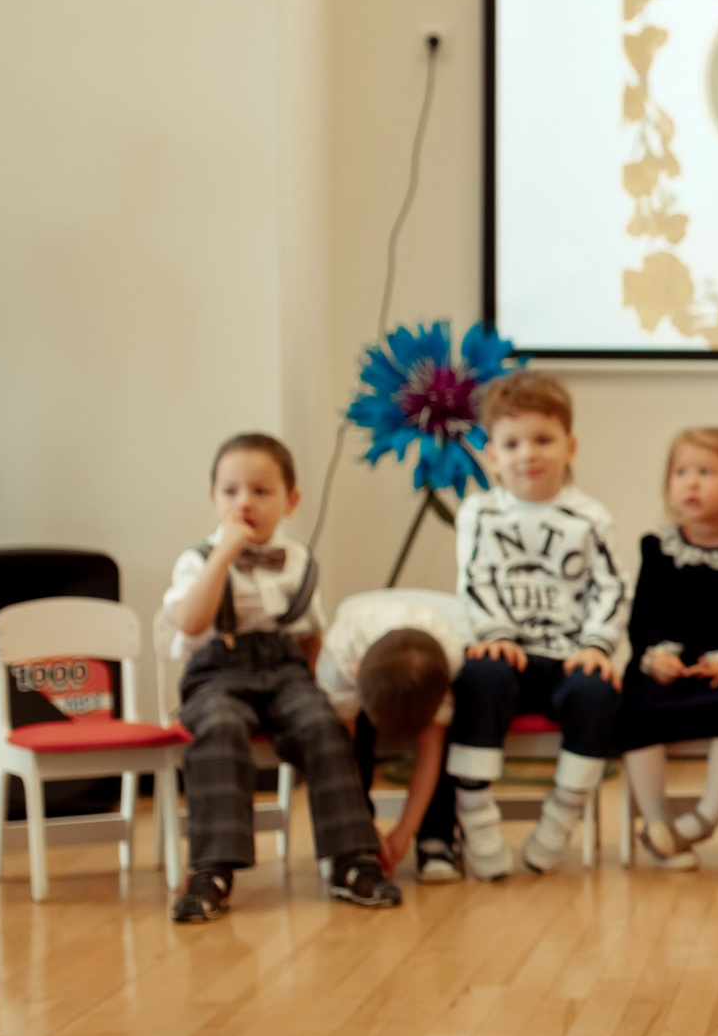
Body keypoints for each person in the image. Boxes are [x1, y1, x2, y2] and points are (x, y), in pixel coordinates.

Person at [160, 434, 399, 920]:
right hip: (216, 673)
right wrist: (223, 554)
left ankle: (350, 858)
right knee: (220, 728)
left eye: (260, 491)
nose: (244, 501)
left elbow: (312, 635)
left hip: (285, 669)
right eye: (230, 492)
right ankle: (211, 870)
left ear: (290, 501)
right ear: (213, 500)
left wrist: (316, 687)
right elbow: (188, 623)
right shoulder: (197, 559)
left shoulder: (299, 561)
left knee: (322, 725)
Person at [445, 371, 629, 879]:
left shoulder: (589, 517)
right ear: (491, 455)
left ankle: (561, 814)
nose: (529, 454)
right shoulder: (479, 513)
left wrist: (596, 645)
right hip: (506, 652)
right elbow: (473, 581)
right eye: (512, 443)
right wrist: (496, 634)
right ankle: (476, 815)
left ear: (569, 447)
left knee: (598, 692)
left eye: (543, 440)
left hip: (568, 654)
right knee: (479, 680)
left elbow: (612, 587)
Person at [620, 427, 718, 869]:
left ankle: (702, 821)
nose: (691, 482)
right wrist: (656, 656)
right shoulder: (658, 549)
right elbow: (644, 617)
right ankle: (656, 820)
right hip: (667, 668)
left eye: (706, 472)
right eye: (682, 472)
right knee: (635, 701)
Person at [313, 587, 464, 873]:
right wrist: (366, 826)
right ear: (357, 674)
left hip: (426, 667)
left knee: (451, 737)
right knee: (341, 740)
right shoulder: (339, 655)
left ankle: (435, 837)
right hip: (360, 676)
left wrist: (404, 830)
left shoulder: (449, 655)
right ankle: (356, 841)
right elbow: (347, 753)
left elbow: (432, 746)